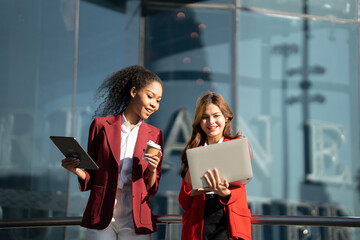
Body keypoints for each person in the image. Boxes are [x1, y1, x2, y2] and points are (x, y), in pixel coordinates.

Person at [61, 65, 164, 240]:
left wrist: (153, 169)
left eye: (159, 100)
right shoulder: (100, 126)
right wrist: (75, 169)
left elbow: (151, 189)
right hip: (102, 211)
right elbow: (92, 175)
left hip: (135, 216)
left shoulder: (155, 134)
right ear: (133, 92)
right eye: (150, 96)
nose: (154, 104)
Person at [178, 91, 252, 240]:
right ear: (199, 121)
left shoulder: (237, 146)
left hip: (228, 221)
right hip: (198, 223)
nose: (211, 122)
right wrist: (191, 191)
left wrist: (226, 193)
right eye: (205, 117)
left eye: (216, 115)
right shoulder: (193, 152)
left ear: (226, 117)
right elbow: (184, 204)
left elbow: (241, 186)